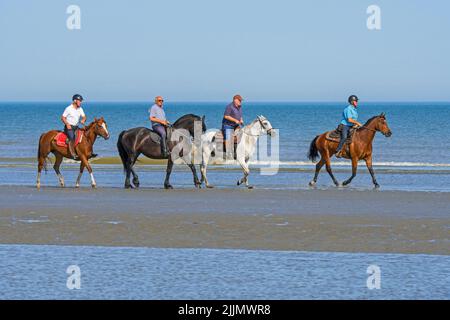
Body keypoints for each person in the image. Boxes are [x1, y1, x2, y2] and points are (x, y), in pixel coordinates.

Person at [61, 94, 86, 160]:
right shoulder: (68, 108)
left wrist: (83, 119)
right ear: (75, 101)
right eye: (79, 101)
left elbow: (84, 116)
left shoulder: (80, 109)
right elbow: (63, 117)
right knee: (72, 137)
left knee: (84, 135)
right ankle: (73, 154)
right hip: (69, 127)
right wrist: (67, 124)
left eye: (81, 101)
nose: (80, 102)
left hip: (76, 127)